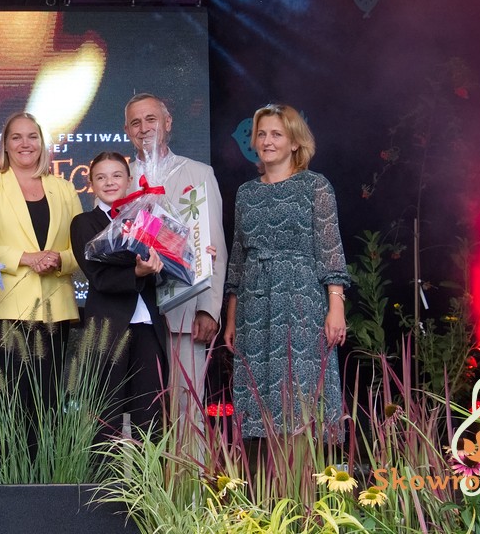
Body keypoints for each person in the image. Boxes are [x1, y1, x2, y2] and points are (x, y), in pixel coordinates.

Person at [222, 103, 349, 440]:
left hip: (301, 301)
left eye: (276, 134)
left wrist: (336, 307)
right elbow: (238, 257)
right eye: (261, 134)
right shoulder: (246, 193)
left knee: (301, 390)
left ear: (294, 142)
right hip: (254, 306)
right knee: (258, 393)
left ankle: (305, 469)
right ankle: (266, 469)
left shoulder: (315, 186)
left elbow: (330, 249)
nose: (267, 141)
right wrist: (232, 317)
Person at [0, 112, 80, 458]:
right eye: (16, 137)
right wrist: (26, 257)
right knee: (11, 406)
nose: (25, 144)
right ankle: (11, 479)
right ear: (5, 145)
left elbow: (83, 247)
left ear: (42, 143)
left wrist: (59, 260)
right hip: (5, 310)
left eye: (32, 136)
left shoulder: (64, 188)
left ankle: (45, 477)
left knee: (49, 404)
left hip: (55, 311)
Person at [123, 93, 227, 450]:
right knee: (139, 409)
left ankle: (189, 484)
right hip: (135, 310)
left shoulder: (198, 173)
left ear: (167, 123)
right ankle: (141, 482)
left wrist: (208, 308)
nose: (144, 128)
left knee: (186, 407)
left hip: (185, 308)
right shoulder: (119, 178)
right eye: (135, 122)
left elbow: (215, 246)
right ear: (127, 131)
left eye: (151, 119)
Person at [70, 151, 167, 441]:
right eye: (101, 177)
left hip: (148, 326)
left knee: (150, 417)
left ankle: (148, 473)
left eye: (116, 175)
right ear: (91, 184)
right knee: (106, 418)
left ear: (129, 180)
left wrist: (193, 254)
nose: (109, 182)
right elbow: (98, 276)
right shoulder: (84, 223)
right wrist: (137, 271)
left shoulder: (148, 219)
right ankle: (105, 474)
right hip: (108, 330)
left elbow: (167, 268)